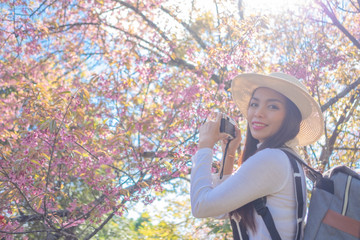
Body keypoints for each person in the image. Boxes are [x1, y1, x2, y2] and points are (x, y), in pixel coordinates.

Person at [190, 72, 324, 240]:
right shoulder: (288, 159)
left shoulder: (272, 159)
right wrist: (229, 153)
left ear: (290, 118)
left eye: (273, 106)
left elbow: (200, 206)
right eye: (254, 104)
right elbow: (222, 210)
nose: (258, 113)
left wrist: (205, 146)